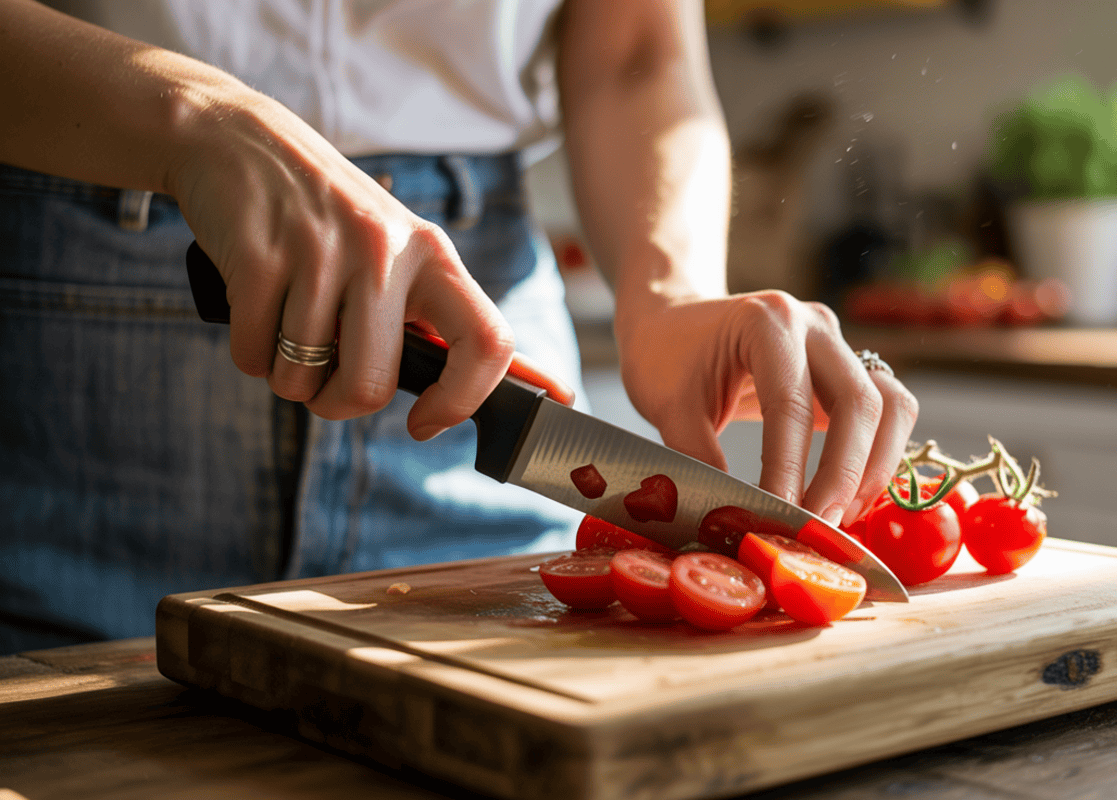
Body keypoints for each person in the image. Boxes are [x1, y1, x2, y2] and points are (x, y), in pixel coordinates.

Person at [0, 0, 919, 653]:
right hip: (84, 303)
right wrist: (194, 117)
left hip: (479, 322)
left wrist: (668, 293)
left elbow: (637, 51)